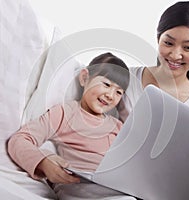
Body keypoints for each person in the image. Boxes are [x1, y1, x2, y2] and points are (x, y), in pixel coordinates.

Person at [7, 52, 135, 199]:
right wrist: (43, 163)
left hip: (116, 187)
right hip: (79, 186)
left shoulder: (118, 127)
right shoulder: (64, 113)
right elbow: (20, 139)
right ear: (84, 78)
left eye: (119, 92)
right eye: (106, 84)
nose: (110, 95)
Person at [119, 1, 189, 122]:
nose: (175, 55)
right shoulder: (123, 78)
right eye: (168, 43)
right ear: (158, 39)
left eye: (188, 47)